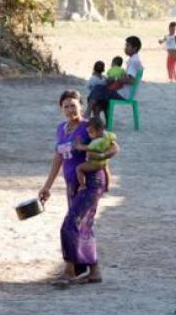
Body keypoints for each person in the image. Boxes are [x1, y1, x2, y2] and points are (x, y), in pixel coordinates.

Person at [40, 90, 119, 286]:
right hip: (72, 184)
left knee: (70, 224)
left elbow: (114, 147)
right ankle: (94, 271)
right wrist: (46, 187)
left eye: (73, 105)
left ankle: (69, 270)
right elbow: (58, 159)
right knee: (84, 225)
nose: (69, 109)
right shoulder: (61, 129)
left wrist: (101, 159)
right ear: (61, 109)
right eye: (66, 106)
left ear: (81, 106)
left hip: (91, 182)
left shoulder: (88, 127)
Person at [88, 36, 144, 118]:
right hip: (126, 92)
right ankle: (95, 116)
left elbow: (131, 81)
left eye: (128, 46)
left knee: (97, 89)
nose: (125, 48)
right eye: (126, 45)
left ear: (135, 48)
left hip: (124, 94)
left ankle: (88, 112)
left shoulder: (133, 61)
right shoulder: (135, 60)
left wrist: (115, 78)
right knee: (100, 92)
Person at [74, 116, 115, 192]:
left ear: (99, 131)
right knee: (106, 170)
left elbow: (87, 148)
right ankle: (107, 186)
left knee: (79, 168)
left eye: (91, 132)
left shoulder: (96, 142)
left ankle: (82, 185)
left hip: (94, 163)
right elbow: (113, 138)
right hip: (104, 161)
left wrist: (78, 146)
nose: (89, 134)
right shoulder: (108, 135)